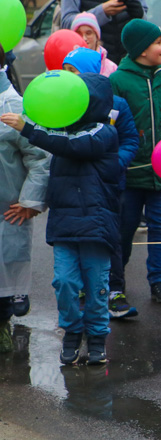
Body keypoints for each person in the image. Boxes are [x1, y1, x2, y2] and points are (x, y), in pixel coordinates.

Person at [1, 73, 120, 365]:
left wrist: (28, 128)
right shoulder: (60, 131)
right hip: (65, 225)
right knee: (64, 283)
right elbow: (45, 163)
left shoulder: (102, 132)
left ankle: (96, 337)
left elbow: (75, 146)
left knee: (96, 285)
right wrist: (34, 202)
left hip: (97, 225)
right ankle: (71, 331)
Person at [62, 46, 140, 318]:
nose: (67, 76)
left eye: (74, 71)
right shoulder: (61, 104)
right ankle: (84, 291)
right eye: (65, 70)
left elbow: (130, 140)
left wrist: (116, 163)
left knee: (112, 237)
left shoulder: (116, 105)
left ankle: (115, 291)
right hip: (73, 186)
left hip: (109, 185)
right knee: (78, 237)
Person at [110, 19, 161, 308]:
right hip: (130, 172)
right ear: (140, 49)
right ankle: (115, 283)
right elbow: (112, 125)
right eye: (158, 43)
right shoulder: (118, 81)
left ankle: (159, 281)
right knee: (124, 229)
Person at [0, 46, 50, 352]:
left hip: (7, 208)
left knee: (8, 264)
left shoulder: (13, 105)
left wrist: (30, 201)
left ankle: (5, 321)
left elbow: (39, 157)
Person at [70, 12, 118, 77]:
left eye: (88, 33)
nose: (84, 38)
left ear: (97, 36)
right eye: (79, 33)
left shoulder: (112, 69)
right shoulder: (66, 66)